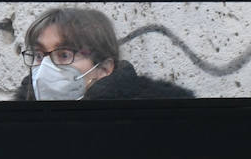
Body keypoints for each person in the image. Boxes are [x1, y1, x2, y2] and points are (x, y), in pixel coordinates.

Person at [14, 6, 194, 100]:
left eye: (64, 55)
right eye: (38, 55)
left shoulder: (152, 128)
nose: (46, 66)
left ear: (104, 68)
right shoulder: (18, 131)